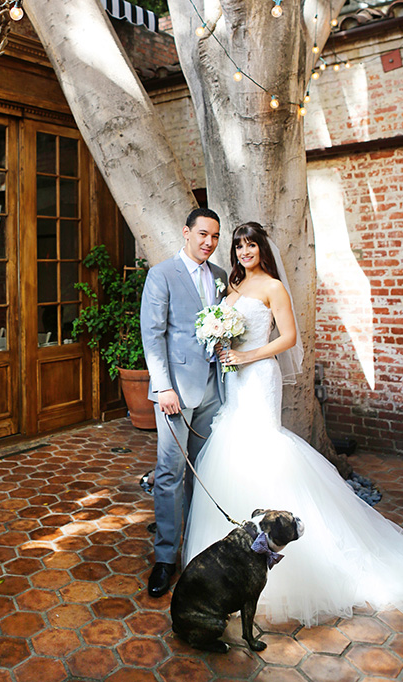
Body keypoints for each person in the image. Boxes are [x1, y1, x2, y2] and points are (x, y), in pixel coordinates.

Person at [182, 221, 403, 626]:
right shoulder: (232, 287)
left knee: (263, 447)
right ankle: (232, 561)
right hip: (235, 380)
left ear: (262, 249)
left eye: (250, 245)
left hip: (259, 378)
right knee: (233, 449)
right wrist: (221, 342)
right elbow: (229, 333)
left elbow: (288, 338)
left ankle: (284, 557)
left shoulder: (272, 287)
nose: (244, 252)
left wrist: (248, 357)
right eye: (238, 246)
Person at [140, 207, 228, 597]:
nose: (208, 242)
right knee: (171, 472)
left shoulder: (222, 277)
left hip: (214, 388)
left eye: (214, 237)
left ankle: (195, 546)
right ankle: (164, 558)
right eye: (203, 234)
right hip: (175, 390)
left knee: (203, 469)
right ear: (186, 233)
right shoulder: (162, 275)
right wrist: (163, 388)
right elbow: (152, 335)